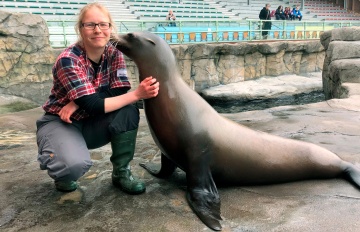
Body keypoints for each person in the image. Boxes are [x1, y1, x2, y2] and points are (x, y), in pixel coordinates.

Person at [36, 3, 159, 194]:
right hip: (61, 121)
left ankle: (121, 172)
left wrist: (77, 101)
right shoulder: (68, 59)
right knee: (72, 166)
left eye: (103, 24)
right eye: (90, 25)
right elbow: (93, 104)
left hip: (90, 123)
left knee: (128, 111)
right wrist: (137, 94)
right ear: (80, 29)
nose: (98, 30)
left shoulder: (114, 52)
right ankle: (62, 169)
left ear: (110, 28)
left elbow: (119, 90)